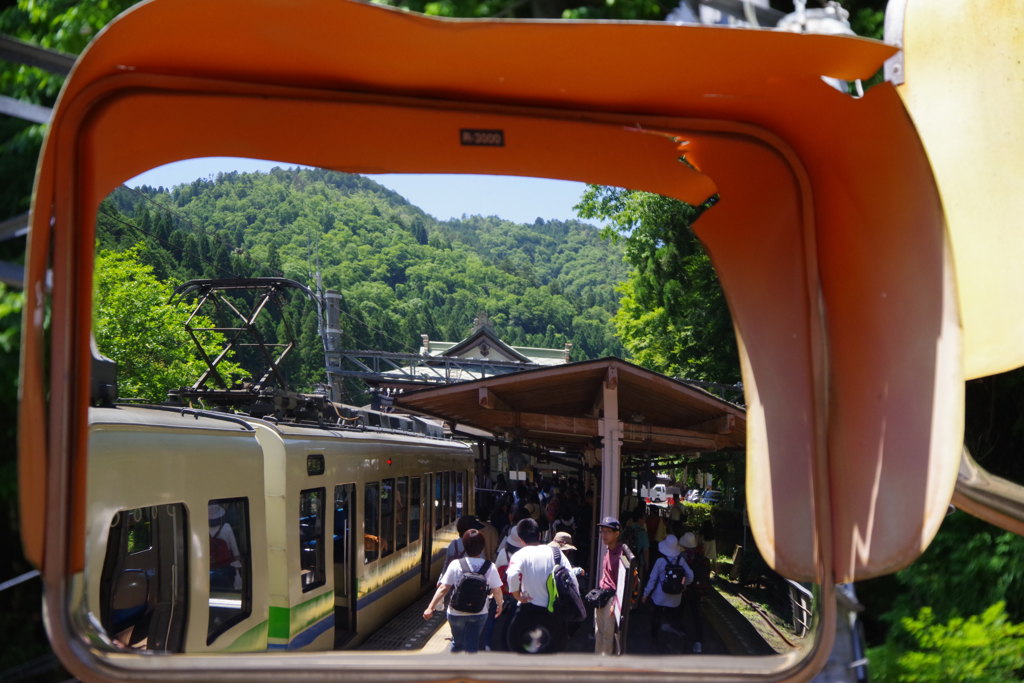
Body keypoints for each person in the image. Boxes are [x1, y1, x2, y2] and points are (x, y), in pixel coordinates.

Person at [505, 518, 578, 653]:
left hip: (528, 612)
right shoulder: (556, 553)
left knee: (524, 649)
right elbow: (572, 579)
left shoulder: (519, 555)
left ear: (521, 540)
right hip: (553, 613)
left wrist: (518, 596)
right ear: (539, 535)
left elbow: (512, 575)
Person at [424, 529, 503, 653]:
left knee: (458, 642)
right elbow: (497, 590)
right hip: (479, 612)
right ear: (482, 547)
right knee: (473, 642)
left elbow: (444, 588)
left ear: (465, 546)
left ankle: (456, 668)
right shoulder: (489, 567)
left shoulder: (456, 564)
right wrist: (500, 605)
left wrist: (430, 607)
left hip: (456, 612)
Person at [642, 534, 693, 651]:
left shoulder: (660, 561)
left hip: (659, 598)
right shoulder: (681, 560)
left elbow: (652, 579)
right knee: (673, 620)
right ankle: (674, 643)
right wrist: (684, 586)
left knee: (656, 618)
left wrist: (645, 594)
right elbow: (690, 575)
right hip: (675, 599)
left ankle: (655, 641)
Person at [594, 516, 624, 655]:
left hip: (612, 599)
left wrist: (615, 604)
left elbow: (624, 583)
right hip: (602, 595)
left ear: (616, 533)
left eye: (608, 531)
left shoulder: (621, 555)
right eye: (602, 531)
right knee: (598, 633)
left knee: (607, 635)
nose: (603, 535)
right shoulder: (608, 549)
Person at [679, 531, 708, 654]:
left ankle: (680, 638)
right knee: (697, 616)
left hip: (687, 590)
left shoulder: (684, 556)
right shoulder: (702, 557)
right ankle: (698, 642)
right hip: (698, 590)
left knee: (681, 613)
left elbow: (683, 574)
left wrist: (682, 586)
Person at [209, 504, 241, 591]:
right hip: (225, 568)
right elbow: (235, 551)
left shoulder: (202, 528)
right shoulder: (226, 527)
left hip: (208, 569)